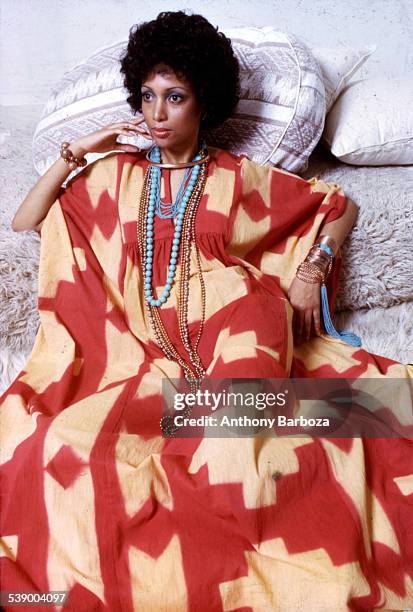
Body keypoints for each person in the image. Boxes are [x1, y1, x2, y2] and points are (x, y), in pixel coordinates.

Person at [2, 10, 413, 611]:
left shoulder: (235, 178)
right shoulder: (112, 175)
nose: (157, 114)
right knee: (64, 442)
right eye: (147, 96)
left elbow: (338, 204)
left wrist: (310, 271)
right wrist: (77, 152)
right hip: (139, 350)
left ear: (205, 102)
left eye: (175, 97)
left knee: (272, 443)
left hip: (238, 327)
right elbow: (27, 219)